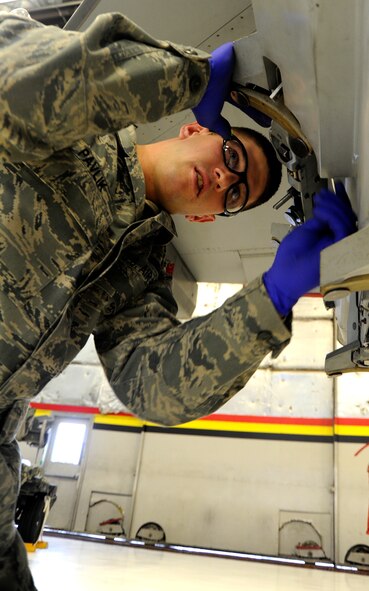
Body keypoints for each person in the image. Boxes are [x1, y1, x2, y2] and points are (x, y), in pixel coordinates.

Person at [0, 10, 357, 591]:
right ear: (195, 130)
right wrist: (186, 78)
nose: (222, 180)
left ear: (204, 215)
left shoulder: (138, 276)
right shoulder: (81, 138)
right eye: (231, 158)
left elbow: (152, 382)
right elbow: (25, 81)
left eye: (234, 194)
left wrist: (271, 298)